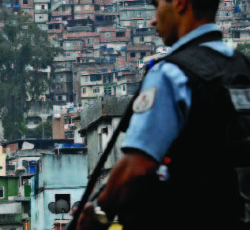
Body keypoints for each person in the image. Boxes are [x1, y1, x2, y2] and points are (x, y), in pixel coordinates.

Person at [75, 0, 250, 229]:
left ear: (179, 4)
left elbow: (137, 167)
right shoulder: (242, 68)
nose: (153, 19)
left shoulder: (171, 74)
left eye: (157, 6)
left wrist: (98, 211)